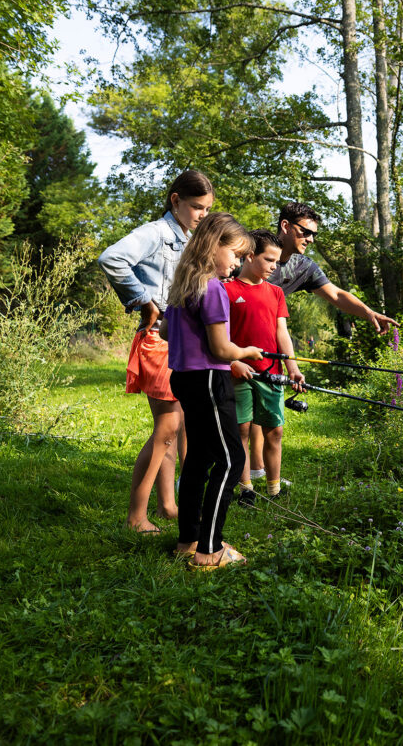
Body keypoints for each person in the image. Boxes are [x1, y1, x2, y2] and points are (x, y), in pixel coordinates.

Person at [245, 202, 400, 481]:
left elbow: (336, 295)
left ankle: (257, 470)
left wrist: (368, 312)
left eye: (313, 233)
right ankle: (201, 473)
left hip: (268, 345)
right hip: (231, 343)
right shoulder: (253, 251)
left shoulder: (303, 266)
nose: (311, 239)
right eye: (305, 232)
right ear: (285, 226)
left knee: (262, 411)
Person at [97, 170, 214, 533]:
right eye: (196, 207)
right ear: (175, 200)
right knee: (167, 426)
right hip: (158, 341)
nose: (202, 215)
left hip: (177, 340)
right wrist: (144, 300)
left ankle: (167, 505)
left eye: (207, 209)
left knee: (172, 427)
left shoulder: (186, 238)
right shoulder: (157, 233)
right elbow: (111, 258)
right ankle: (135, 517)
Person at [159, 212, 261, 569]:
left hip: (184, 378)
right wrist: (246, 351)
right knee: (232, 461)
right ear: (213, 244)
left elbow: (165, 333)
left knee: (200, 460)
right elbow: (221, 350)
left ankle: (188, 540)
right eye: (234, 254)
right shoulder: (212, 288)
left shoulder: (183, 286)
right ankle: (209, 550)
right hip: (209, 381)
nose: (236, 263)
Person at [225, 230, 306, 506]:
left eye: (277, 261)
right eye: (269, 259)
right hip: (238, 374)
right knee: (242, 430)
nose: (275, 266)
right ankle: (245, 488)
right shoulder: (226, 290)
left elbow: (281, 332)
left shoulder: (276, 293)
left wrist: (291, 366)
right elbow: (217, 337)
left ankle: (274, 489)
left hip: (271, 373)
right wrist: (232, 362)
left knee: (275, 430)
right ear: (249, 256)